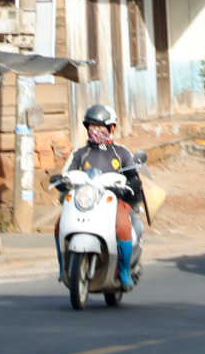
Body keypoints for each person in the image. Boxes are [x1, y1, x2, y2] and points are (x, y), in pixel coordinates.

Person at [59, 104, 144, 286]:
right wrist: (62, 180)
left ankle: (123, 270)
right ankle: (62, 266)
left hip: (114, 200)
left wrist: (133, 181)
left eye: (100, 128)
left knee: (123, 226)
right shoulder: (80, 153)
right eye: (92, 128)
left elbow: (133, 175)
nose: (96, 132)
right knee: (59, 224)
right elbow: (68, 172)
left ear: (111, 128)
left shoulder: (121, 153)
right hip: (87, 200)